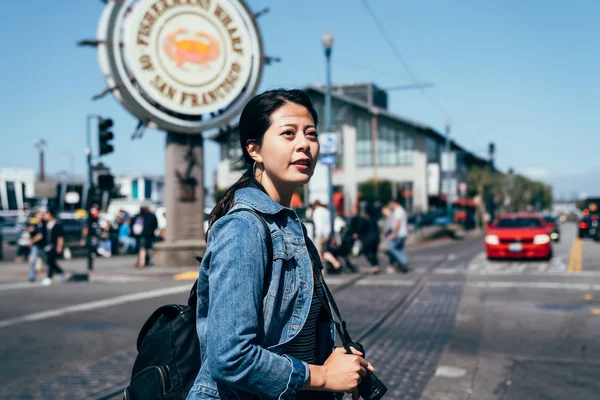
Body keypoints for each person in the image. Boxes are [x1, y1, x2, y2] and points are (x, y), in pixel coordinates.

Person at [187, 89, 375, 400]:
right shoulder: (243, 228)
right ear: (254, 149)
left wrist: (332, 358)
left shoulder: (290, 227)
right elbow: (230, 357)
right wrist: (323, 375)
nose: (304, 144)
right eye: (288, 133)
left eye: (310, 133)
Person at [41, 208, 66, 286]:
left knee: (50, 260)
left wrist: (59, 247)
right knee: (49, 261)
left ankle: (49, 277)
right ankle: (60, 271)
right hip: (47, 246)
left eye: (46, 214)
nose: (45, 216)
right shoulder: (45, 224)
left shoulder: (57, 224)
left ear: (51, 214)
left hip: (54, 246)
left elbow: (60, 237)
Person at [387, 199, 409, 273]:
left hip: (399, 234)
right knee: (400, 248)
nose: (390, 206)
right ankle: (402, 265)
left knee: (393, 249)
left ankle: (403, 262)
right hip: (403, 233)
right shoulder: (402, 210)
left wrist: (394, 233)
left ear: (393, 203)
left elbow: (398, 223)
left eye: (390, 204)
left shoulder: (398, 211)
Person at [27, 211, 47, 282]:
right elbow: (29, 233)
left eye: (41, 215)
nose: (39, 217)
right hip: (36, 246)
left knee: (47, 261)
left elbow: (40, 236)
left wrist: (32, 241)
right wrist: (30, 231)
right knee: (32, 261)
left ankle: (50, 274)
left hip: (43, 245)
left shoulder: (44, 225)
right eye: (38, 215)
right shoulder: (34, 224)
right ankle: (32, 276)